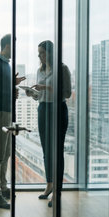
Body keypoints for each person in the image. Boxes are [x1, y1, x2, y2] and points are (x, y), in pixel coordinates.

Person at [26, 40, 71, 207]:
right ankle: (50, 184)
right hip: (43, 109)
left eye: (42, 53)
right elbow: (40, 95)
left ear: (50, 53)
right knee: (46, 150)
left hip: (58, 110)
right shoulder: (40, 70)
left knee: (57, 151)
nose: (40, 56)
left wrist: (46, 88)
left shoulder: (63, 69)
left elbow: (67, 92)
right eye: (38, 53)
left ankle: (57, 192)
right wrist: (34, 93)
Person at [0, 34, 25, 209]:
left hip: (7, 112)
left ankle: (2, 187)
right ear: (8, 46)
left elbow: (5, 88)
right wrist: (9, 89)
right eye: (14, 46)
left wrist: (12, 87)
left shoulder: (7, 66)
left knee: (6, 152)